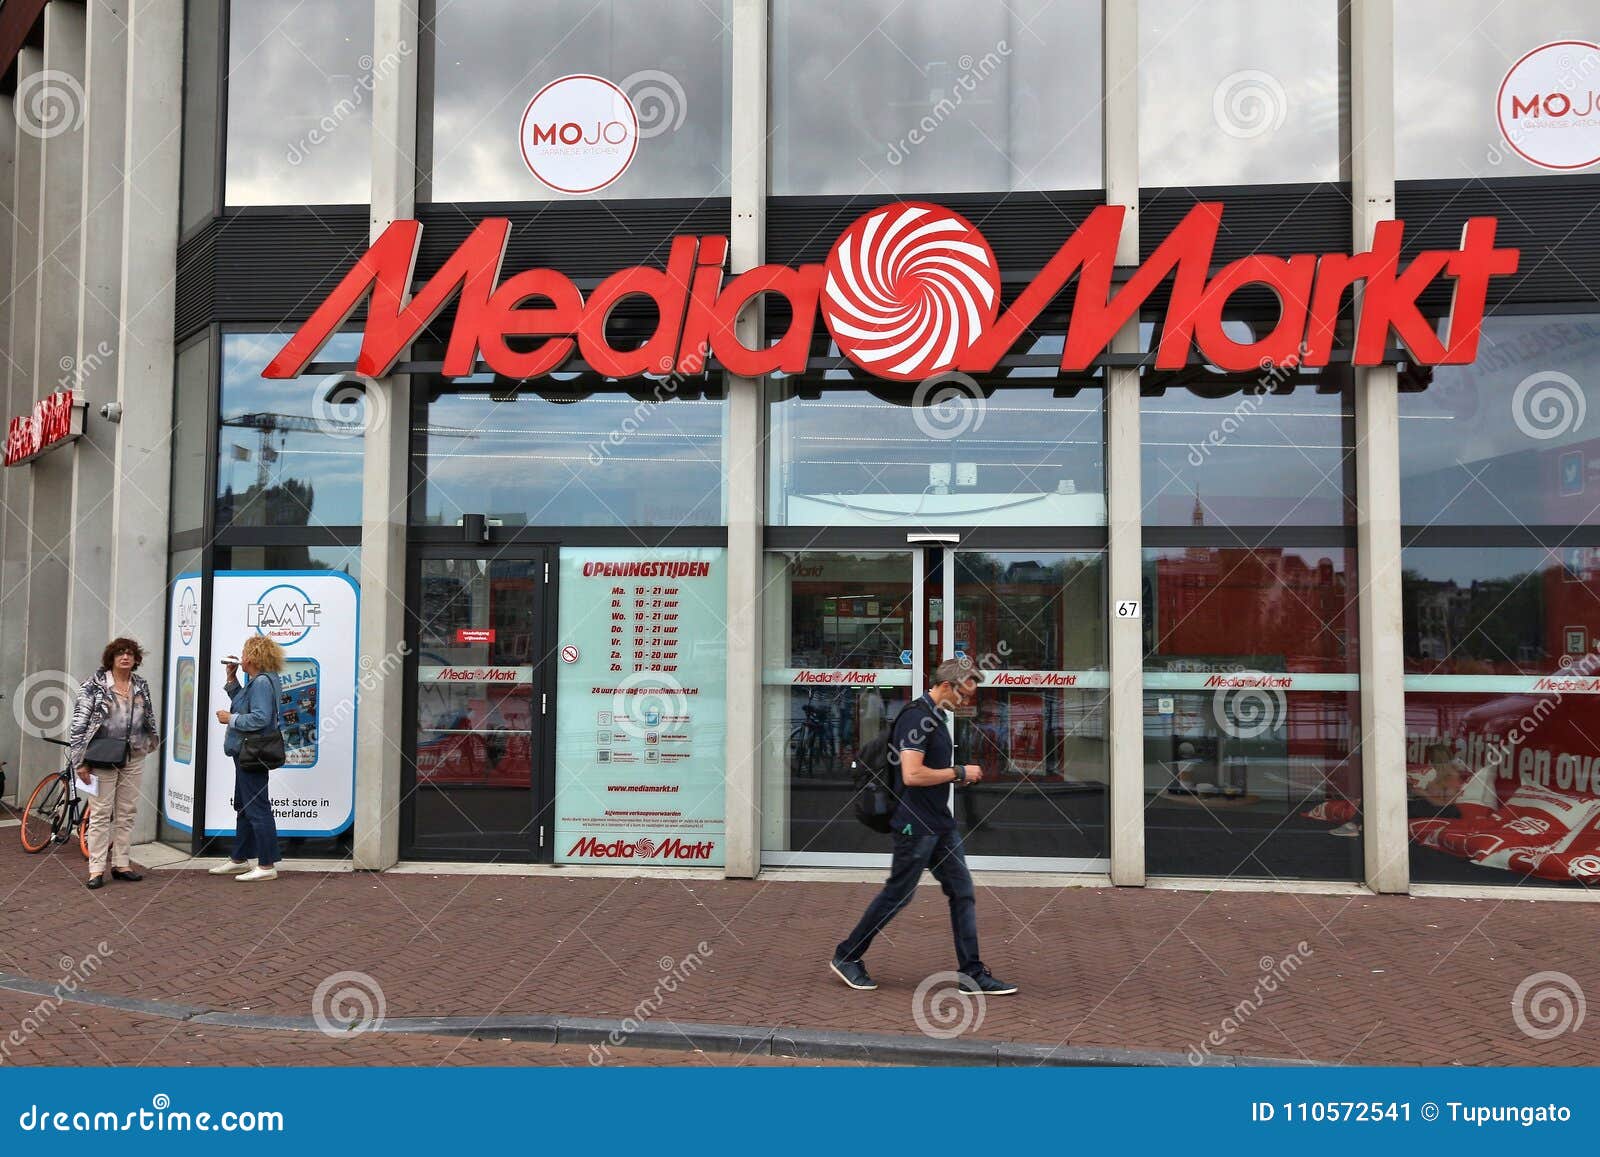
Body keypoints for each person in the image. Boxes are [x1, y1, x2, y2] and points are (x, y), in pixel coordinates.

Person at [831, 657, 1017, 995]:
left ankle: (972, 972)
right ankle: (847, 955)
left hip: (939, 825)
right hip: (914, 827)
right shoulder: (918, 718)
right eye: (963, 694)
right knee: (897, 896)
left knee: (962, 893)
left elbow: (926, 773)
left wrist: (950, 777)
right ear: (946, 686)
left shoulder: (935, 716)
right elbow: (912, 775)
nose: (965, 702)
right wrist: (959, 772)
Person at [69, 638, 160, 890]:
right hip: (101, 758)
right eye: (120, 653)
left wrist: (152, 741)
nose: (125, 657)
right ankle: (96, 869)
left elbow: (148, 716)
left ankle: (121, 864)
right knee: (99, 813)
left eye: (130, 654)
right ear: (111, 658)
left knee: (127, 812)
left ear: (136, 659)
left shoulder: (140, 685)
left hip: (134, 755)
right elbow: (79, 725)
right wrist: (79, 762)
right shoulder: (93, 686)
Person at [208, 636, 286, 883]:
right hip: (246, 752)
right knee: (244, 805)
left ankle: (266, 864)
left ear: (252, 657)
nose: (240, 658)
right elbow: (243, 703)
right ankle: (239, 858)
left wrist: (229, 719)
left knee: (257, 807)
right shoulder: (260, 680)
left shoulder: (261, 682)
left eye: (243, 654)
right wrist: (232, 680)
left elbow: (260, 718)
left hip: (252, 752)